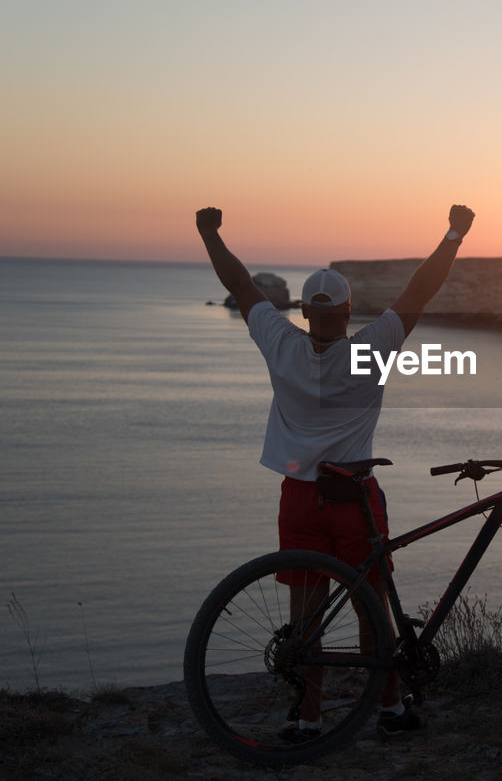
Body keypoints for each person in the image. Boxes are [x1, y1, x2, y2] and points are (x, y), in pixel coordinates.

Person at [195, 203, 475, 741]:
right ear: (349, 314)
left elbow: (240, 282)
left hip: (299, 497)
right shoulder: (372, 351)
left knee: (306, 618)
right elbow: (420, 290)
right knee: (372, 608)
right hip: (353, 500)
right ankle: (390, 710)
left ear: (302, 312)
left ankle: (309, 716)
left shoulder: (279, 345)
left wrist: (209, 234)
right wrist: (454, 234)